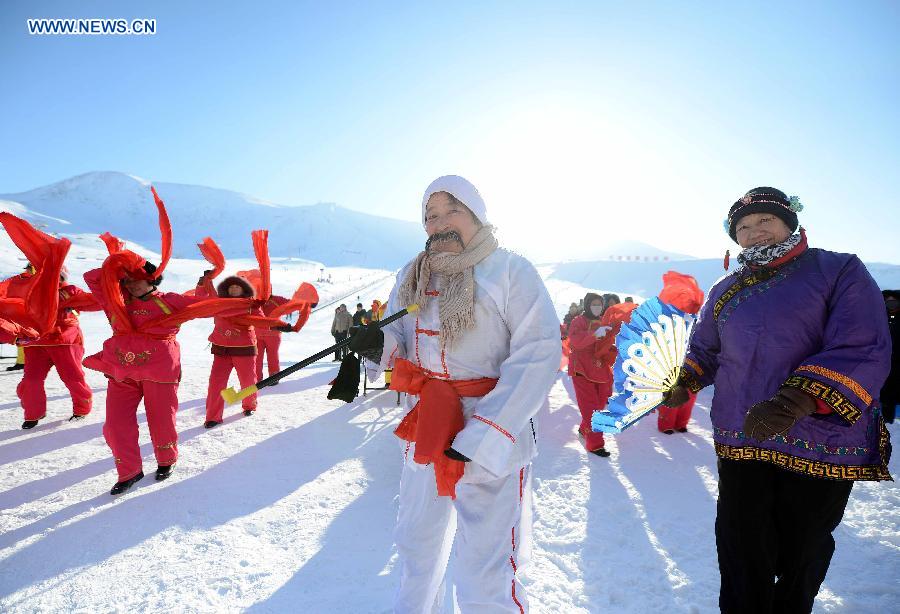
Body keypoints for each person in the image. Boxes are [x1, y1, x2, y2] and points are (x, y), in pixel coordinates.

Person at [664, 187, 891, 613]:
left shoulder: (838, 270)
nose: (754, 233)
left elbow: (863, 344)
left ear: (789, 222)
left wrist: (796, 401)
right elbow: (706, 349)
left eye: (764, 221)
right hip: (742, 434)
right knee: (740, 544)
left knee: (801, 549)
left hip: (817, 436)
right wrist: (687, 378)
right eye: (743, 228)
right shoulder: (726, 287)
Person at [350, 175, 560, 612]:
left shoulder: (509, 270)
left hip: (490, 432)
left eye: (453, 211)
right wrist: (378, 346)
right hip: (426, 425)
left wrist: (483, 434)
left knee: (485, 567)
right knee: (415, 546)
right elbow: (398, 342)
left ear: (477, 215)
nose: (440, 222)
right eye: (431, 215)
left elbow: (537, 353)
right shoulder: (413, 274)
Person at [84, 261, 208, 493]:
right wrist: (124, 263)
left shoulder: (171, 300)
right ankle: (129, 471)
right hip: (122, 370)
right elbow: (92, 277)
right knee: (115, 424)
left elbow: (209, 304)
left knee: (161, 419)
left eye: (136, 279)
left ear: (152, 278)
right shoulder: (117, 300)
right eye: (126, 280)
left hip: (159, 369)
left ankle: (166, 460)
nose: (131, 285)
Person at [15, 267, 99, 429]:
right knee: (31, 380)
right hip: (36, 344)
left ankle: (82, 408)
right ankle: (33, 414)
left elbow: (93, 302)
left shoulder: (69, 291)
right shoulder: (27, 293)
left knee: (72, 378)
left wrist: (113, 290)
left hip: (64, 342)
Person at [196, 275, 265, 428]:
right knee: (216, 383)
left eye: (237, 286)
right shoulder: (219, 303)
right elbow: (202, 303)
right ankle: (212, 417)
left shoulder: (251, 304)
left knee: (247, 381)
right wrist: (202, 284)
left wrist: (256, 310)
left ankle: (249, 406)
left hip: (244, 350)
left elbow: (261, 322)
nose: (233, 289)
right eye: (231, 286)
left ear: (244, 289)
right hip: (221, 350)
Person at [566, 293, 615, 456]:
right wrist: (594, 335)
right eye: (593, 304)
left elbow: (606, 345)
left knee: (600, 405)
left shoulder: (603, 321)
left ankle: (584, 429)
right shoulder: (577, 321)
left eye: (599, 304)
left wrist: (613, 346)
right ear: (587, 305)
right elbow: (575, 342)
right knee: (591, 409)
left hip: (599, 369)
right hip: (581, 369)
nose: (597, 307)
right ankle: (595, 445)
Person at [880, 290, 899, 423]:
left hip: (898, 363)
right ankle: (887, 422)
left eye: (894, 302)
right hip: (882, 363)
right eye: (888, 302)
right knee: (885, 394)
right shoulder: (879, 317)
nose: (891, 305)